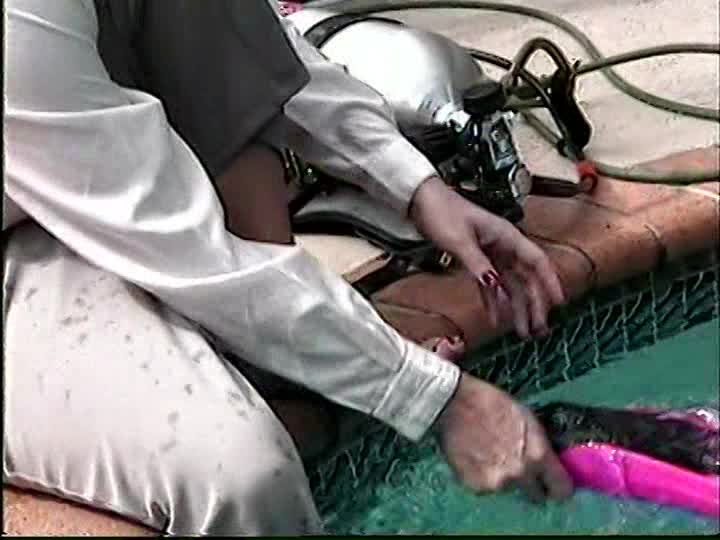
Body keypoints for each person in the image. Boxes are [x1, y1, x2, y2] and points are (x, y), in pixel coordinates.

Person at [4, 0, 573, 535]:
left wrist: (418, 189)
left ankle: (274, 364)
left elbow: (256, 52)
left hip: (92, 182)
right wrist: (433, 397)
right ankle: (273, 362)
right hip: (43, 234)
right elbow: (175, 241)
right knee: (240, 477)